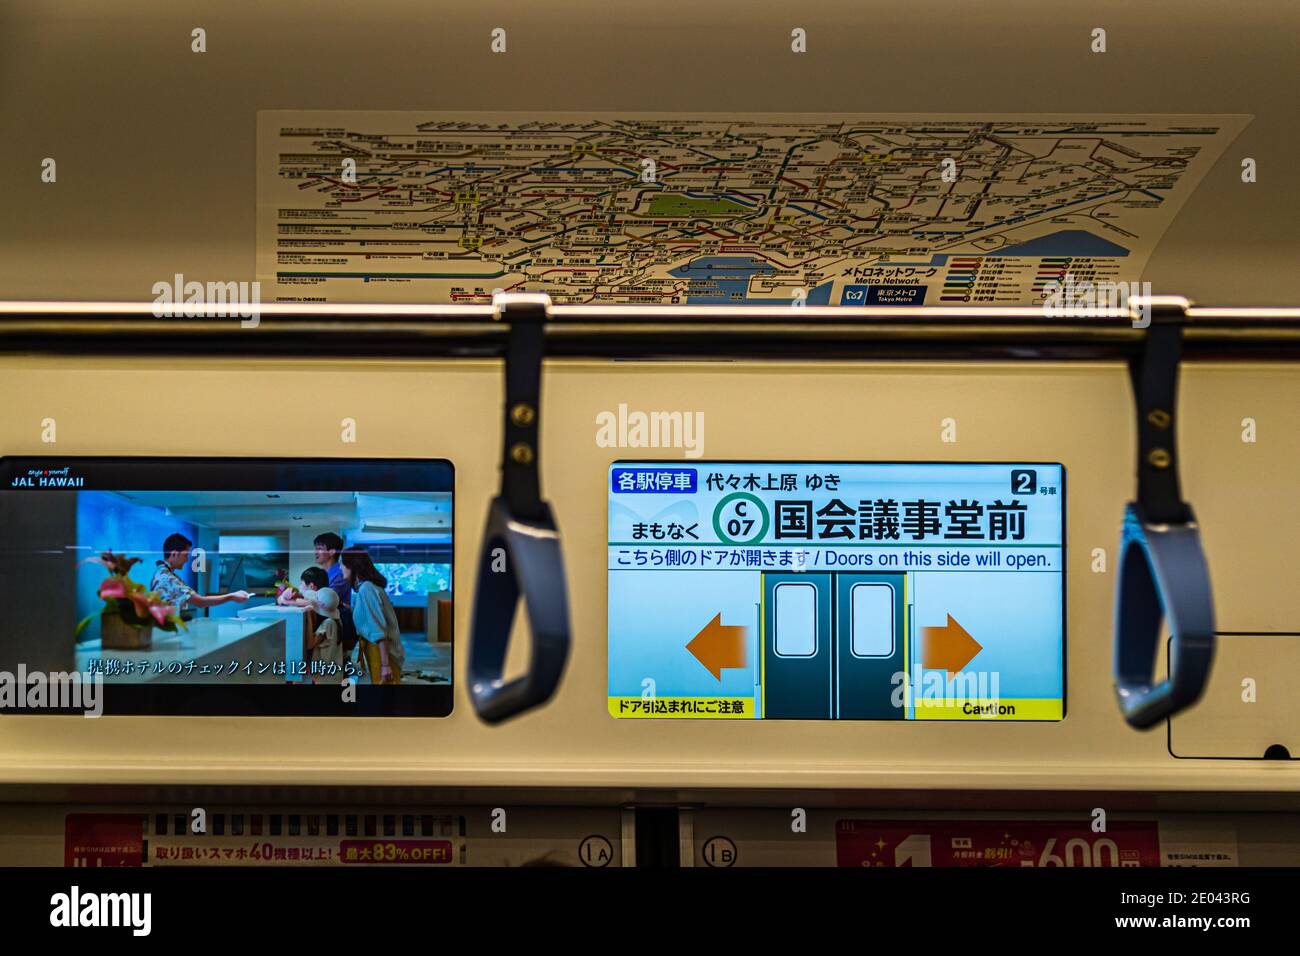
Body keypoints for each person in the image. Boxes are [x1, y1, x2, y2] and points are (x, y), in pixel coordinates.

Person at [339, 548, 404, 684]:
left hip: (382, 653)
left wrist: (385, 666)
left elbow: (378, 631)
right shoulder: (368, 588)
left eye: (342, 564)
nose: (340, 568)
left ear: (352, 566)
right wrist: (353, 610)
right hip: (379, 651)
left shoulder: (366, 589)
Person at [150, 533, 250, 619]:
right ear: (174, 554)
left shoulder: (164, 572)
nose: (186, 560)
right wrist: (231, 596)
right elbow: (200, 602)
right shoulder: (166, 577)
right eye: (185, 555)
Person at [277, 566, 344, 682]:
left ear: (312, 586)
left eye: (301, 583)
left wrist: (307, 615)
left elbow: (310, 644)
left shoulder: (329, 623)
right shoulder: (331, 615)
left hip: (327, 678)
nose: (299, 587)